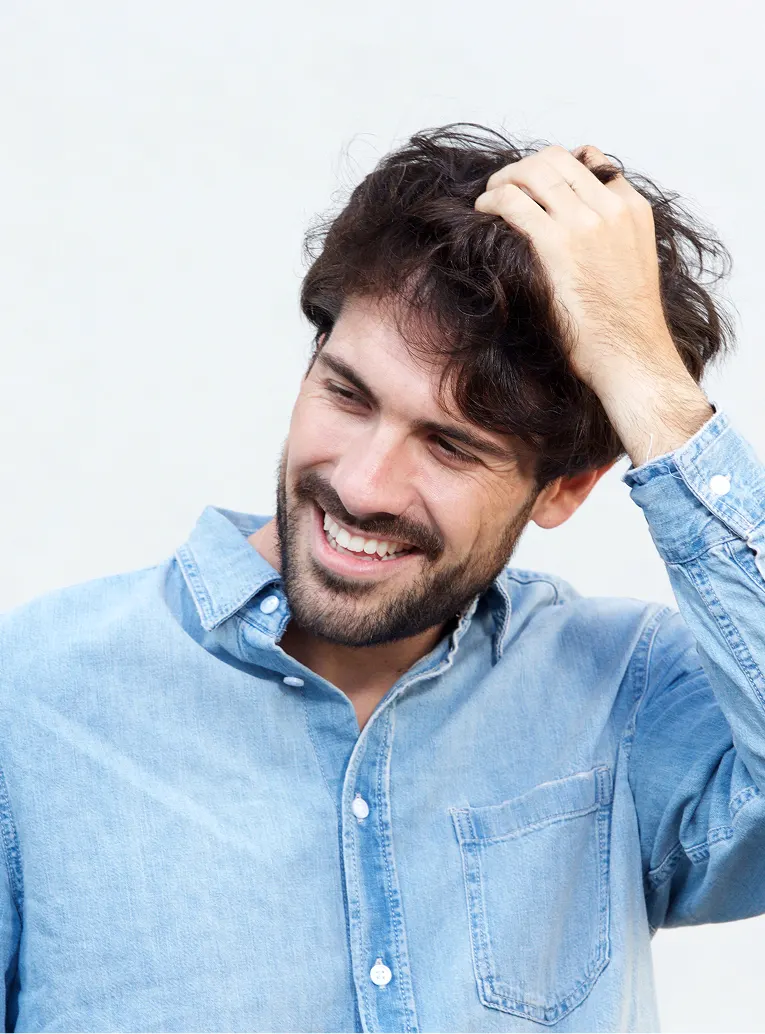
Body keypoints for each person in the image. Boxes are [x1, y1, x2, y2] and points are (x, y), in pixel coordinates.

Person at [1, 123, 763, 1034]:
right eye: (347, 394)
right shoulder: (29, 701)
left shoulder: (626, 700)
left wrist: (643, 376)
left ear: (564, 487)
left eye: (450, 446)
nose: (362, 487)